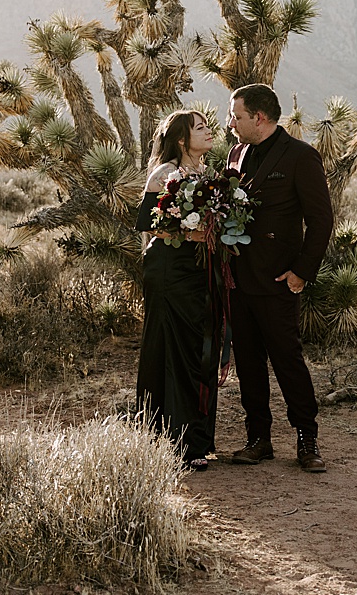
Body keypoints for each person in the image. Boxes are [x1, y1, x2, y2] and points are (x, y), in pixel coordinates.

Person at [224, 83, 334, 472]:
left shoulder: (301, 156)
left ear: (259, 117)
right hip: (239, 278)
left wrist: (302, 273)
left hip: (278, 280)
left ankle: (307, 439)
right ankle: (259, 439)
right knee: (249, 364)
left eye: (237, 116)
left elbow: (321, 221)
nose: (230, 123)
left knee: (288, 360)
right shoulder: (236, 153)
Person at [133, 110, 223, 470]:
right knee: (173, 350)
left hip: (201, 271)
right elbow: (146, 223)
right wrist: (190, 233)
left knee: (200, 349)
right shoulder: (165, 173)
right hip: (170, 272)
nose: (208, 131)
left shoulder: (208, 176)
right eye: (200, 128)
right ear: (183, 139)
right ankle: (172, 442)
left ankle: (196, 439)